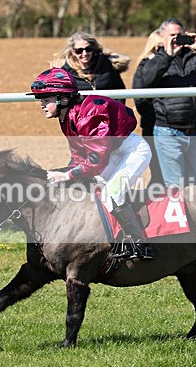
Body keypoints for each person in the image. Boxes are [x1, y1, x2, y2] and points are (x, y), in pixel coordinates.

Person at [29, 67, 154, 260]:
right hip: (113, 154)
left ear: (62, 99)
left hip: (132, 152)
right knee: (98, 189)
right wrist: (61, 173)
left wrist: (67, 175)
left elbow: (96, 161)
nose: (42, 105)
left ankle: (141, 245)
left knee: (111, 193)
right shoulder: (67, 116)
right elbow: (79, 156)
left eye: (46, 100)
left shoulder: (89, 114)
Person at [132, 18, 196, 187]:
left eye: (179, 35)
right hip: (167, 131)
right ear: (162, 36)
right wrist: (167, 55)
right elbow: (148, 80)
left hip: (193, 132)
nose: (176, 39)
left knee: (191, 186)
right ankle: (171, 214)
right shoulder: (153, 60)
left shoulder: (193, 58)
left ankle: (186, 214)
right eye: (172, 35)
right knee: (175, 187)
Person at [50, 32, 130, 101]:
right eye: (79, 51)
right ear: (72, 51)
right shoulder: (64, 71)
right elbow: (56, 97)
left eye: (88, 49)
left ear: (93, 48)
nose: (84, 54)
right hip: (80, 117)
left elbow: (120, 92)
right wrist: (56, 76)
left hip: (107, 115)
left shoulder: (107, 65)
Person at [132, 30, 164, 186]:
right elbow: (140, 99)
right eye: (159, 46)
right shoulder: (145, 65)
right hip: (153, 125)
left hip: (170, 125)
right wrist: (155, 116)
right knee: (159, 173)